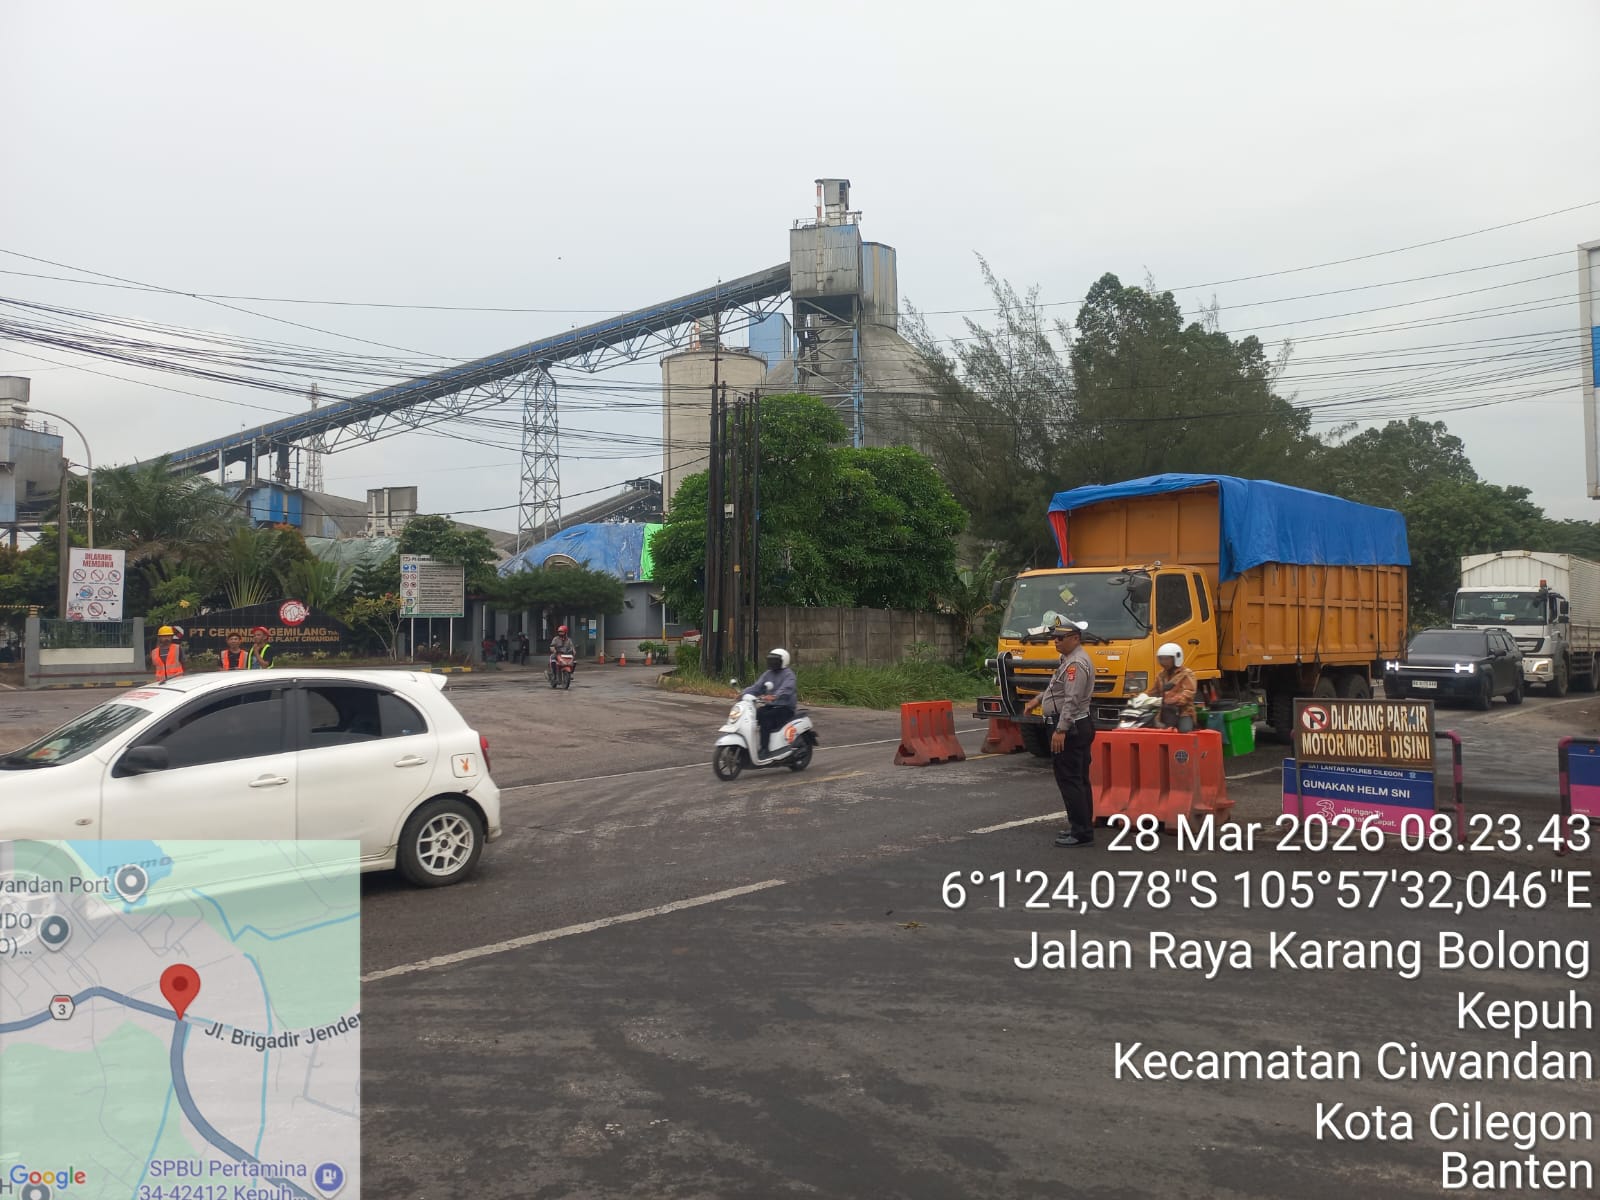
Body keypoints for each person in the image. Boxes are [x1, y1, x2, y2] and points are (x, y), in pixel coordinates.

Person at [1032, 620, 1096, 847]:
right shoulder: (1068, 660)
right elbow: (1057, 688)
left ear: (1075, 638)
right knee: (1079, 779)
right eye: (1054, 637)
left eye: (1060, 638)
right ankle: (1083, 826)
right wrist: (1038, 700)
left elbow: (1072, 699)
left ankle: (1081, 832)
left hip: (1071, 727)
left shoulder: (1076, 664)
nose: (1056, 641)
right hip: (1077, 725)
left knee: (1070, 780)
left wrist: (1061, 729)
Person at [742, 648, 798, 755]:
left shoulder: (789, 675)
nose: (772, 662)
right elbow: (757, 687)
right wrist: (743, 693)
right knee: (751, 716)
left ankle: (765, 749)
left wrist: (775, 696)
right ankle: (749, 746)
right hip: (771, 707)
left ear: (783, 661)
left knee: (765, 718)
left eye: (775, 660)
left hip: (785, 708)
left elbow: (787, 689)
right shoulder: (768, 674)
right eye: (770, 660)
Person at [1142, 641, 1198, 732]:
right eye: (1161, 659)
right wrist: (1140, 698)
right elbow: (1153, 692)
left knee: (1185, 731)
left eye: (1166, 659)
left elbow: (1189, 692)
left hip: (1183, 712)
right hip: (1164, 712)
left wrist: (1174, 700)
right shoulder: (1161, 675)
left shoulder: (1186, 673)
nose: (1163, 662)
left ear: (1176, 658)